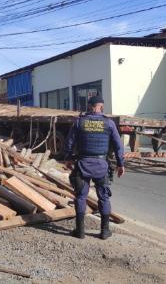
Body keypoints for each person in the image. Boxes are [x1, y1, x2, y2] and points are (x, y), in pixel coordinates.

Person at [64, 95, 125, 240]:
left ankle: (80, 231)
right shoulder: (109, 123)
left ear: (89, 106)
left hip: (83, 164)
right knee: (103, 197)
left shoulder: (79, 122)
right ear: (101, 107)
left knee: (81, 197)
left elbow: (69, 143)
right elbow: (118, 146)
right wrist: (121, 164)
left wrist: (67, 158)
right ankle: (104, 231)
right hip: (101, 166)